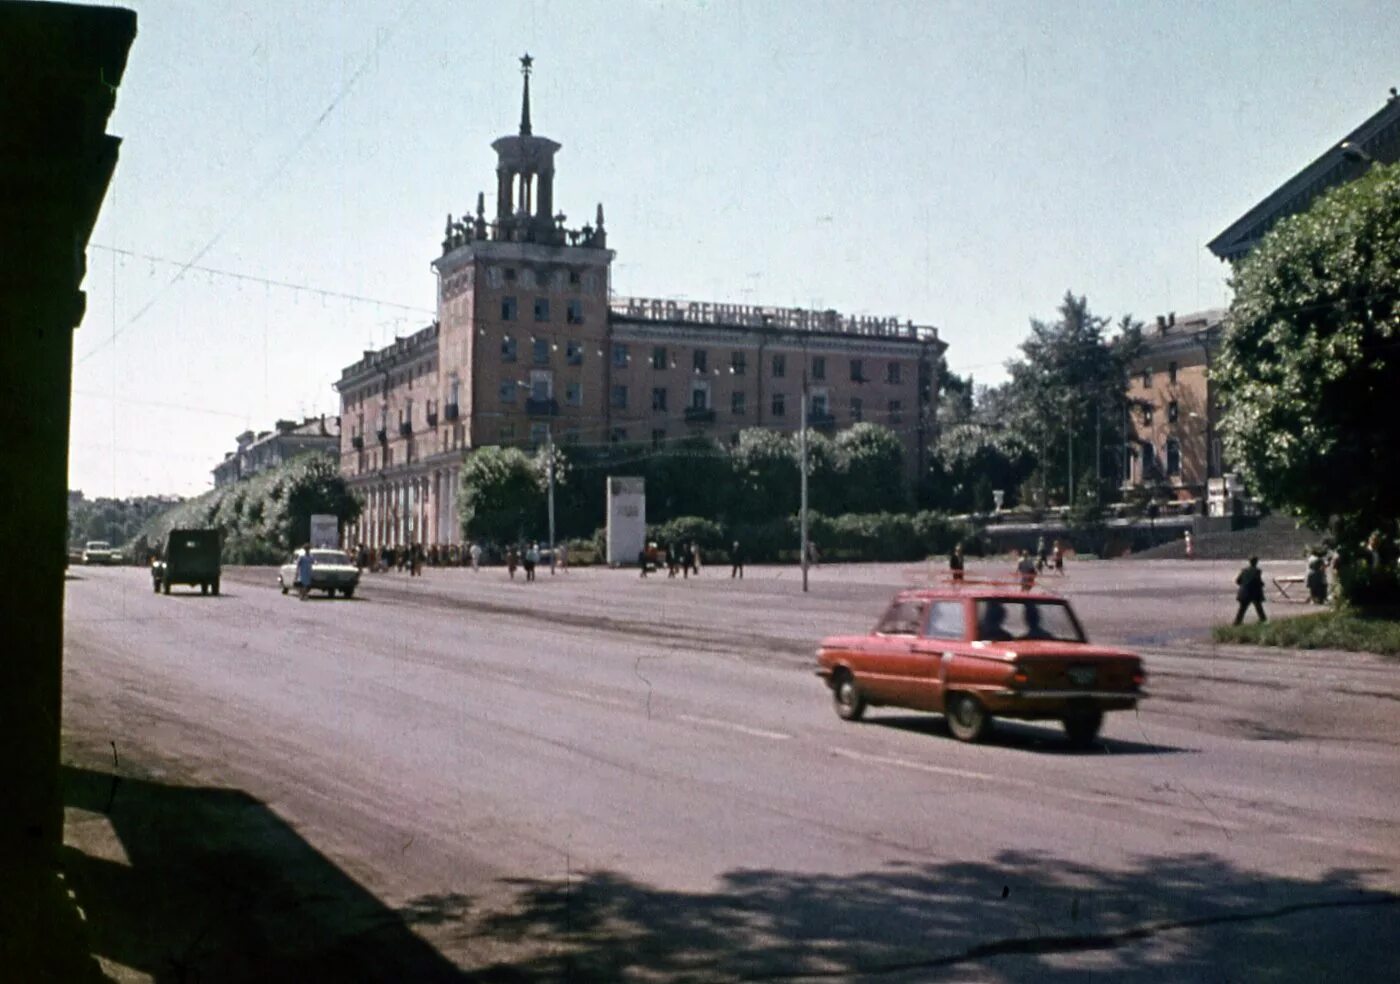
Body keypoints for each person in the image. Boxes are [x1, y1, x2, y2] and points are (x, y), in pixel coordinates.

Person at [1234, 556, 1267, 624]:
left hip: (1244, 592)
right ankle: (1264, 621)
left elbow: (1238, 581)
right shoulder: (1257, 571)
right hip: (1253, 593)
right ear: (1256, 562)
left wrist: (1244, 584)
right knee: (1259, 608)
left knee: (1242, 610)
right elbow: (1257, 581)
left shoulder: (1244, 570)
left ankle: (1237, 623)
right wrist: (1261, 584)